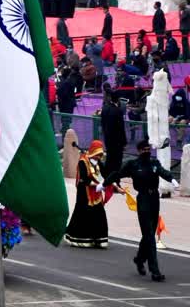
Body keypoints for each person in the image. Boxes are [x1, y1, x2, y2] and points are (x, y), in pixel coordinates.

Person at [103, 140, 179, 281]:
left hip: (154, 198)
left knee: (149, 232)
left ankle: (139, 259)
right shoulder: (133, 165)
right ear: (138, 151)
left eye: (148, 149)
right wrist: (104, 184)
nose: (146, 151)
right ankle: (155, 270)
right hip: (143, 198)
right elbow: (117, 174)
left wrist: (172, 180)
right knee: (149, 234)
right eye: (143, 149)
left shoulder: (154, 163)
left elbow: (162, 172)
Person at [65, 140, 108, 248]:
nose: (99, 157)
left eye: (100, 155)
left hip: (96, 194)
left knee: (99, 214)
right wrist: (97, 185)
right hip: (85, 194)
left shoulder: (99, 163)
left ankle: (98, 239)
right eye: (98, 155)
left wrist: (111, 184)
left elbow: (104, 176)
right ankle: (81, 238)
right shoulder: (82, 162)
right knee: (83, 215)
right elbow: (83, 179)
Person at [101, 89, 127, 178]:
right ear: (118, 99)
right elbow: (121, 128)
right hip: (117, 141)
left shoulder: (104, 108)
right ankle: (115, 180)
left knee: (109, 159)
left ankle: (106, 178)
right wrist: (124, 143)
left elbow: (103, 124)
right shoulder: (118, 111)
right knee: (116, 162)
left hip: (107, 139)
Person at [57, 68, 77, 133]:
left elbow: (61, 93)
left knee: (65, 118)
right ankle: (65, 129)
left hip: (65, 103)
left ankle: (65, 129)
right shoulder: (70, 81)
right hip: (68, 103)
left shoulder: (62, 82)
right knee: (66, 118)